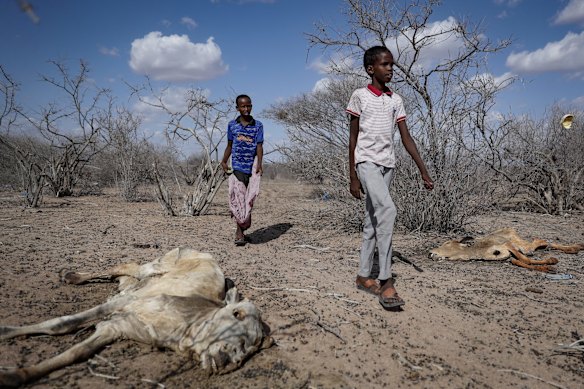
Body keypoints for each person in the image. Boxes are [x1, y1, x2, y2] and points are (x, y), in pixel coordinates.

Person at [346, 46, 434, 309]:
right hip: (366, 163)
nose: (390, 69)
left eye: (392, 65)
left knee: (373, 221)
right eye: (385, 65)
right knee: (388, 210)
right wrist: (352, 175)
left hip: (388, 165)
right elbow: (352, 139)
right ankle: (385, 280)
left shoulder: (395, 100)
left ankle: (363, 276)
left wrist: (423, 169)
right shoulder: (359, 96)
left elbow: (406, 138)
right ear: (371, 69)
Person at [221, 94, 264, 246]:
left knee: (249, 199)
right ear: (237, 108)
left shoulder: (258, 125)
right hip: (237, 167)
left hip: (251, 167)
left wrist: (259, 164)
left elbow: (259, 146)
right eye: (243, 106)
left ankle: (244, 226)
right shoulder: (232, 125)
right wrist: (224, 161)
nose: (246, 109)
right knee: (238, 198)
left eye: (249, 106)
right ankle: (239, 233)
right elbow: (230, 145)